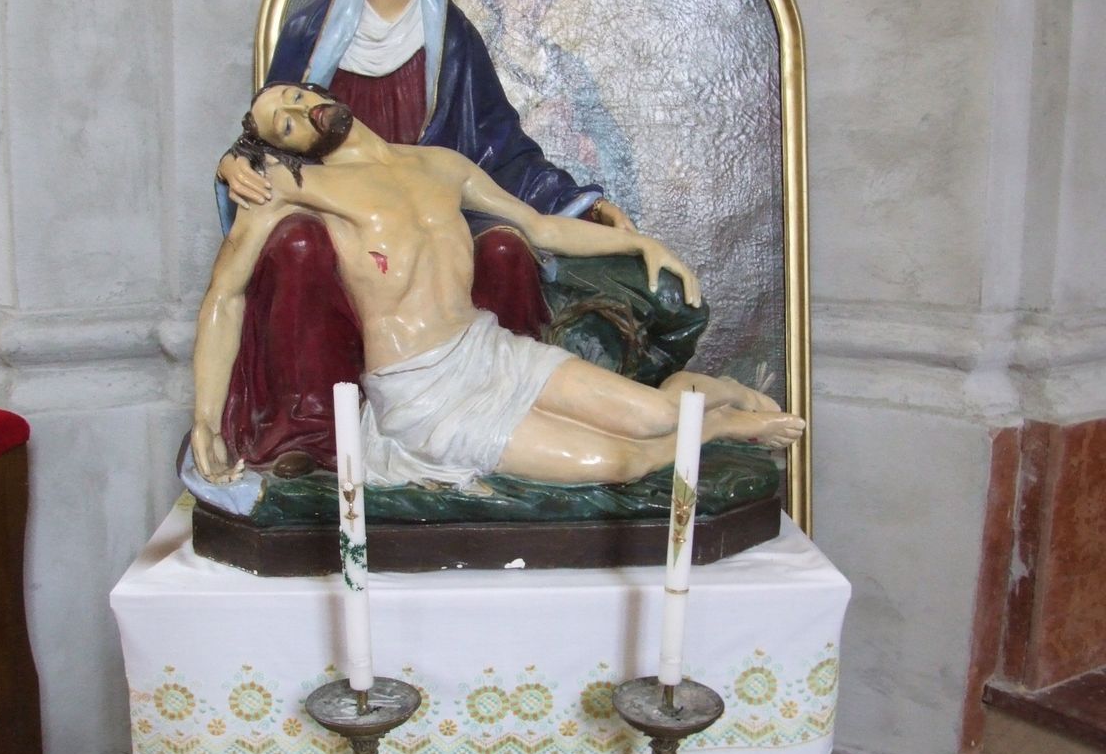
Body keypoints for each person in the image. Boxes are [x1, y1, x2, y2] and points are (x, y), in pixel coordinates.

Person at [214, 0, 638, 475]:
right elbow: (266, 128)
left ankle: (511, 421)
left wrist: (578, 202)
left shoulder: (452, 40)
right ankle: (311, 431)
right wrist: (235, 163)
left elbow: (500, 143)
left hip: (431, 203)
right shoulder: (313, 32)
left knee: (504, 248)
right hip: (339, 209)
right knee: (298, 244)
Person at [192, 86, 804, 491]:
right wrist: (205, 417)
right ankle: (720, 427)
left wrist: (640, 244)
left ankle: (713, 393)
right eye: (286, 124)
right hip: (423, 391)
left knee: (655, 416)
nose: (303, 112)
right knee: (617, 461)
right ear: (284, 149)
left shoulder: (441, 164)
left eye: (299, 97)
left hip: (490, 351)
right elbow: (226, 295)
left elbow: (540, 227)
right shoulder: (293, 187)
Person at [479, 0, 642, 224]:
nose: (532, 7)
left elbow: (610, 140)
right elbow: (472, 149)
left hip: (574, 198)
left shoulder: (568, 67)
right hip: (512, 203)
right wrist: (533, 124)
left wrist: (588, 146)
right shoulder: (482, 64)